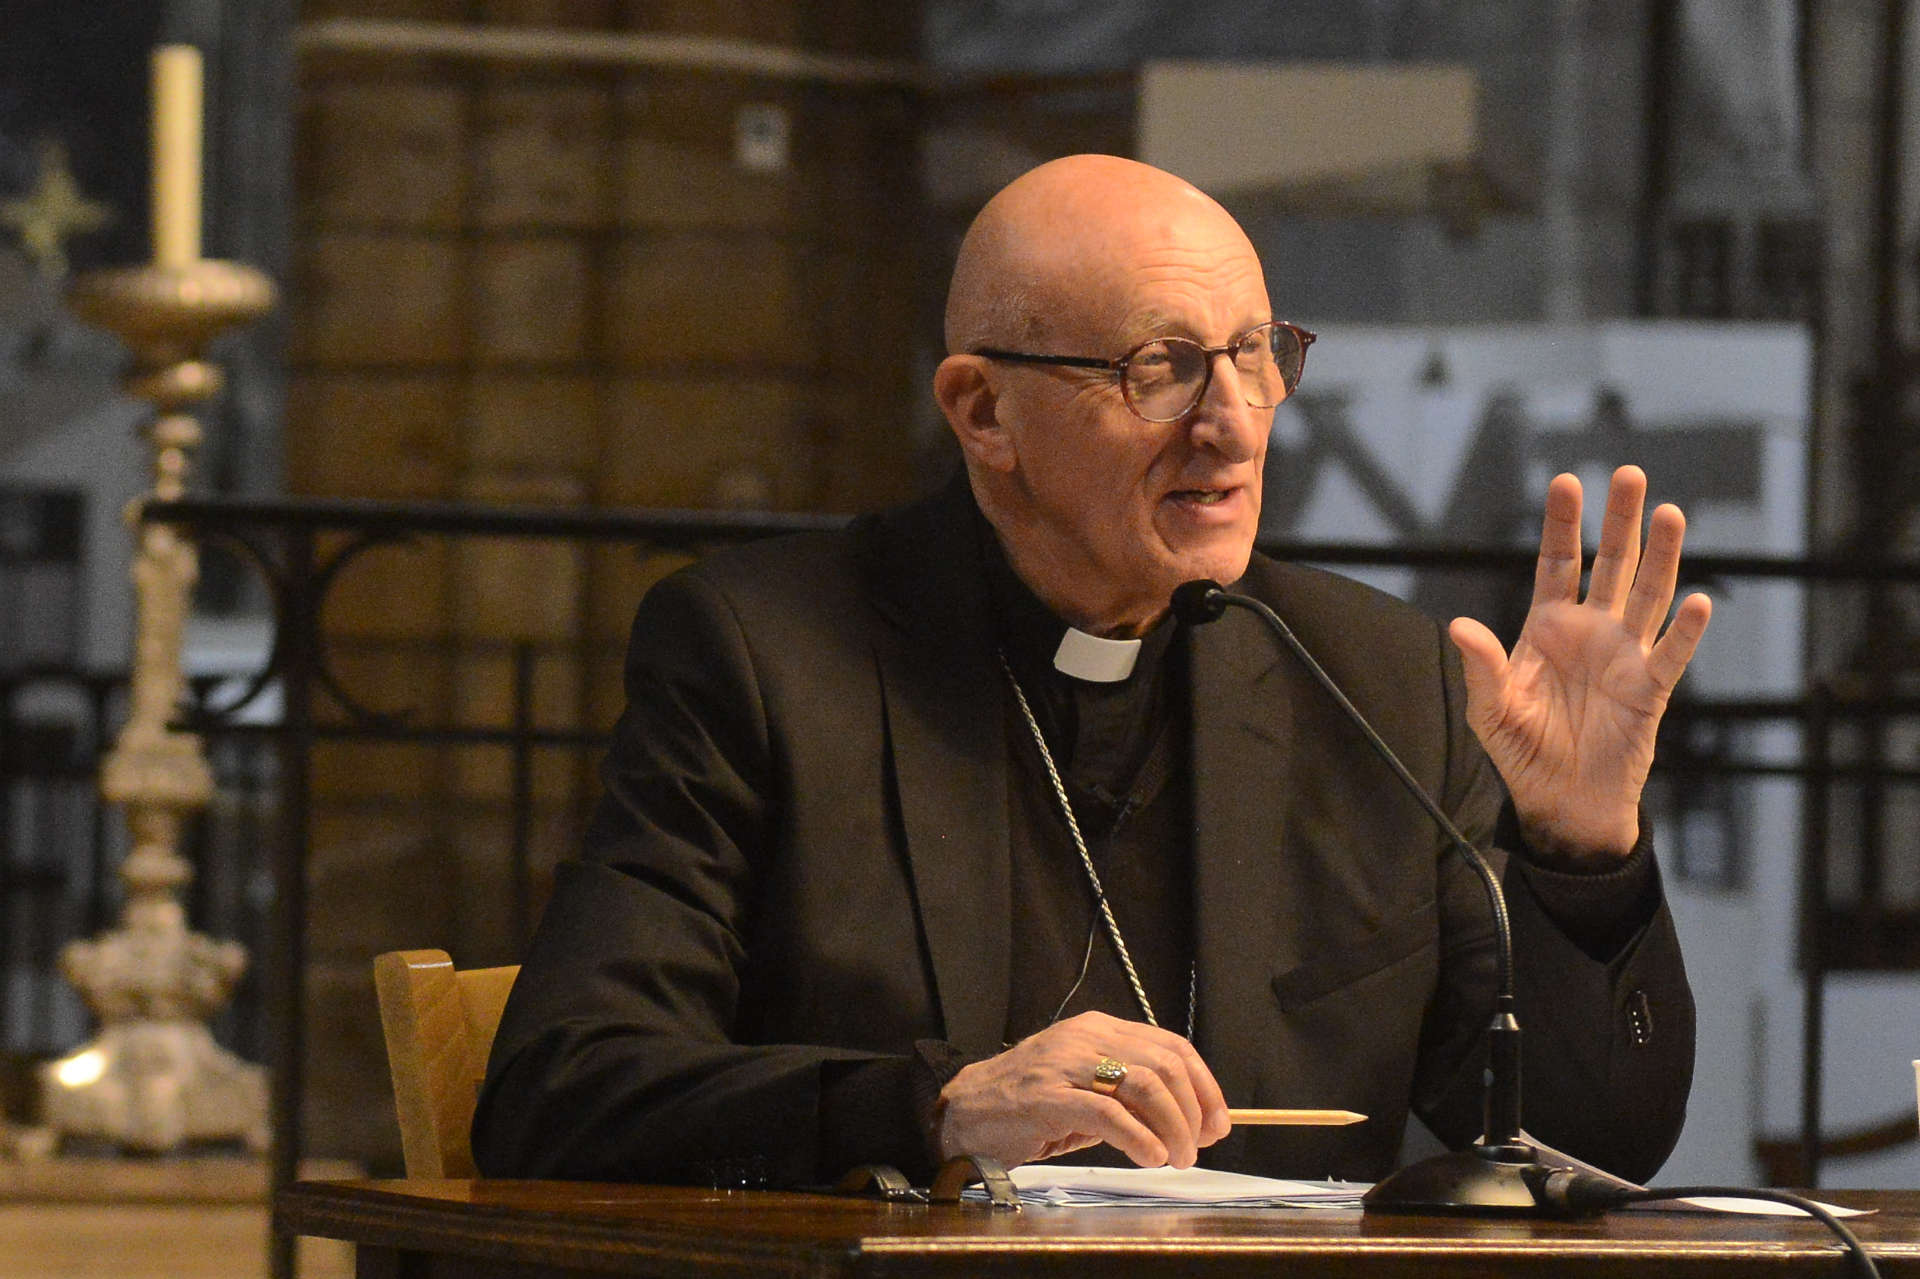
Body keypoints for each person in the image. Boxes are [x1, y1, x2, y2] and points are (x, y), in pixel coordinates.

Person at [472, 154, 1710, 1188]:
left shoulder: (1378, 678)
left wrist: (1583, 857)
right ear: (982, 413)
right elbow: (562, 1087)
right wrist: (940, 1112)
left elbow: (1589, 1145)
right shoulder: (767, 656)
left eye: (1256, 352)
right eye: (1160, 367)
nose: (1231, 420)